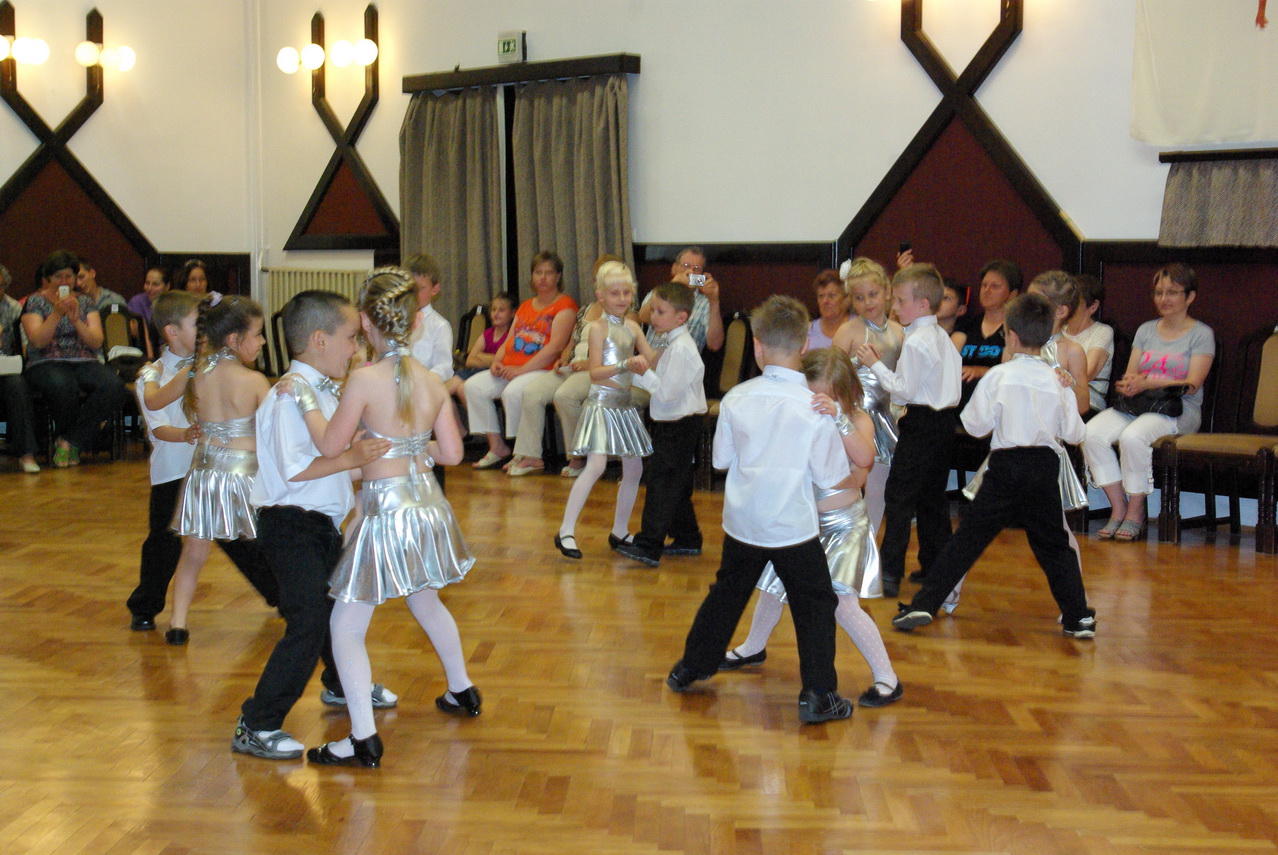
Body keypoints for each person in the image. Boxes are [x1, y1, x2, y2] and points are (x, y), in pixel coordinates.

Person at [295, 270, 478, 768]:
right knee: (425, 599)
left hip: (388, 510)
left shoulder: (363, 379)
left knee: (345, 626)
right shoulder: (433, 380)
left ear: (364, 321)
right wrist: (411, 448)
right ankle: (462, 689)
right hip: (428, 506)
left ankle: (362, 738)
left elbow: (330, 446)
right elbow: (453, 454)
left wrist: (308, 403)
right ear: (415, 322)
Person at [666, 295, 854, 725]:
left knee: (727, 592)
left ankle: (690, 667)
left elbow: (720, 461)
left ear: (756, 344)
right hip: (792, 526)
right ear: (805, 345)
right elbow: (829, 475)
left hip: (744, 522)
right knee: (815, 603)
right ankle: (818, 694)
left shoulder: (737, 397)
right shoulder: (814, 408)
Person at [235, 289, 392, 762]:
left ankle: (342, 683)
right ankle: (257, 722)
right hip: (288, 525)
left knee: (331, 610)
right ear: (320, 340)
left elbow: (337, 459)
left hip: (317, 525)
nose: (355, 347)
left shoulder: (321, 390)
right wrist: (350, 457)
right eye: (350, 337)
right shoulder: (289, 397)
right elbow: (295, 471)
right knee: (308, 620)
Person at [892, 293, 1096, 639]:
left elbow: (975, 427)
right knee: (1054, 544)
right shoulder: (1056, 380)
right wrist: (1064, 388)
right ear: (1046, 336)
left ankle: (924, 604)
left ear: (1011, 335)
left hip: (1005, 466)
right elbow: (1076, 433)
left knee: (968, 539)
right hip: (1044, 468)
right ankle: (1078, 617)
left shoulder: (998, 376)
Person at [721, 348, 902, 707]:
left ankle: (887, 678)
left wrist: (839, 420)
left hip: (843, 527)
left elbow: (863, 461)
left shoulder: (858, 419)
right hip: (804, 524)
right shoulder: (798, 416)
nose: (816, 404)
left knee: (842, 603)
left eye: (826, 398)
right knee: (773, 587)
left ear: (845, 393)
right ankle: (753, 646)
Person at [126, 290, 278, 632]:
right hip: (199, 471)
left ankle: (181, 622)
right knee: (167, 541)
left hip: (204, 470)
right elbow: (156, 420)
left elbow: (158, 400)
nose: (204, 329)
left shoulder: (199, 370)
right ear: (172, 331)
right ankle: (146, 606)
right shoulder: (171, 372)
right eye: (198, 323)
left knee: (222, 546)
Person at [1083, 263, 1214, 542]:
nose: (1164, 299)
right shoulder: (1145, 330)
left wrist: (1148, 382)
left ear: (1190, 297)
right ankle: (1118, 507)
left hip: (1179, 409)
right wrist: (1129, 384)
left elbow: (1192, 384)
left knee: (1133, 437)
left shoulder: (1202, 334)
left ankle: (1136, 510)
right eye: (1159, 292)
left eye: (1172, 292)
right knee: (1091, 434)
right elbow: (1133, 373)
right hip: (1139, 404)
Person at [856, 263, 961, 598]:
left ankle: (890, 572)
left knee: (899, 496)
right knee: (932, 497)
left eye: (901, 301)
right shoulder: (942, 337)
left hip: (921, 423)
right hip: (945, 424)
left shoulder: (916, 341)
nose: (895, 307)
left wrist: (874, 364)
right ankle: (935, 566)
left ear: (923, 304)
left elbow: (902, 391)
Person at [554, 262, 655, 559]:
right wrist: (625, 364)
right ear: (601, 295)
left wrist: (668, 340)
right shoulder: (598, 328)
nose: (622, 299)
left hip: (623, 405)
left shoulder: (633, 327)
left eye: (627, 293)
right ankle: (566, 530)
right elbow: (595, 372)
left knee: (634, 469)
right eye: (615, 293)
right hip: (602, 403)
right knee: (596, 466)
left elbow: (651, 359)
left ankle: (620, 530)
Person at [615, 282, 707, 566]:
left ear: (681, 317)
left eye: (660, 311)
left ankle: (649, 545)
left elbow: (666, 393)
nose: (653, 316)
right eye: (653, 310)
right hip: (675, 421)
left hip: (680, 423)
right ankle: (688, 538)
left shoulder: (681, 349)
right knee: (676, 482)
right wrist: (638, 372)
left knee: (661, 481)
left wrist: (642, 373)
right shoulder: (670, 342)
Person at [463, 252, 577, 469]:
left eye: (549, 273)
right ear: (532, 276)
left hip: (541, 369)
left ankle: (522, 451)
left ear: (558, 276)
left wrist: (521, 370)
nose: (543, 278)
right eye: (538, 272)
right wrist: (497, 361)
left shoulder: (565, 305)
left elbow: (555, 348)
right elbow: (510, 339)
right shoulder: (525, 306)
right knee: (473, 386)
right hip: (512, 367)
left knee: (513, 392)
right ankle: (497, 446)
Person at [510, 255, 620, 478]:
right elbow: (572, 341)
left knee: (565, 395)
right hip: (573, 366)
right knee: (532, 391)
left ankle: (579, 456)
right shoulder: (586, 309)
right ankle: (532, 456)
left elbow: (621, 350)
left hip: (597, 369)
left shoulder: (624, 310)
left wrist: (590, 363)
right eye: (597, 278)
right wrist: (563, 358)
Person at [20, 250, 125, 468]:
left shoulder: (85, 302)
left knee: (113, 384)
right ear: (48, 278)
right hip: (46, 361)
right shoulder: (35, 301)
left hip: (83, 359)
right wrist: (56, 314)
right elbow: (37, 341)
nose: (64, 282)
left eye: (68, 276)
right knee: (63, 385)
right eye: (58, 277)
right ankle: (75, 441)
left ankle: (69, 441)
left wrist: (76, 320)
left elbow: (96, 342)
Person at [832, 257, 905, 537]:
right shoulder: (848, 331)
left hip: (884, 418)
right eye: (859, 298)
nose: (867, 302)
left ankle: (868, 545)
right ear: (851, 300)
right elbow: (833, 374)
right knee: (844, 483)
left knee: (877, 488)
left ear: (887, 291)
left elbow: (903, 376)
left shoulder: (899, 331)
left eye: (873, 294)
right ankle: (840, 539)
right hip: (853, 417)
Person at [951, 259, 1022, 407]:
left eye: (995, 286)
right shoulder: (967, 324)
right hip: (960, 398)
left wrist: (984, 371)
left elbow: (1015, 372)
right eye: (984, 285)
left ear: (1012, 294)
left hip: (997, 399)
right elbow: (949, 361)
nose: (986, 290)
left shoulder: (1017, 330)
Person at [636, 247, 725, 353]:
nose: (690, 272)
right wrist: (672, 286)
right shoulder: (659, 292)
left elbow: (715, 345)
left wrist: (714, 301)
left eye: (696, 268)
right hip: (649, 359)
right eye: (685, 266)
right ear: (674, 268)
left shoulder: (705, 303)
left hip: (681, 360)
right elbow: (643, 317)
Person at [0, 264, 39, 473]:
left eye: (0, 286)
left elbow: (26, 345)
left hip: (5, 368)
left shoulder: (14, 308)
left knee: (18, 385)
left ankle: (26, 454)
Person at [1063, 274, 1115, 414]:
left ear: (1093, 306)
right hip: (1055, 397)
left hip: (1088, 403)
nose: (1067, 307)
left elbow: (1085, 374)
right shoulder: (1057, 329)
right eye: (1066, 300)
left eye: (1074, 302)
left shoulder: (1102, 332)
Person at [447, 294, 513, 401]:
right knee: (455, 387)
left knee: (459, 386)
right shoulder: (487, 334)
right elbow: (469, 361)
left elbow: (503, 362)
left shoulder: (511, 335)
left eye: (501, 310)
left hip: (497, 376)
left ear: (513, 313)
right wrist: (491, 360)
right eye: (494, 309)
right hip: (478, 371)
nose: (496, 314)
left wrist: (480, 355)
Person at [405, 252, 454, 383]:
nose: (414, 294)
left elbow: (444, 368)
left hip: (423, 386)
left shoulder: (440, 326)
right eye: (410, 288)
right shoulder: (395, 320)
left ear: (435, 289)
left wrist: (422, 381)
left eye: (420, 288)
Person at [129, 267, 171, 360]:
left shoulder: (174, 304)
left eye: (155, 284)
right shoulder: (137, 302)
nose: (149, 288)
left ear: (167, 286)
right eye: (147, 283)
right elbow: (136, 335)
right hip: (143, 354)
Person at [806, 270, 849, 351]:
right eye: (821, 296)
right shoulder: (807, 330)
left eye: (831, 296)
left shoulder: (859, 327)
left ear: (845, 298)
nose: (825, 301)